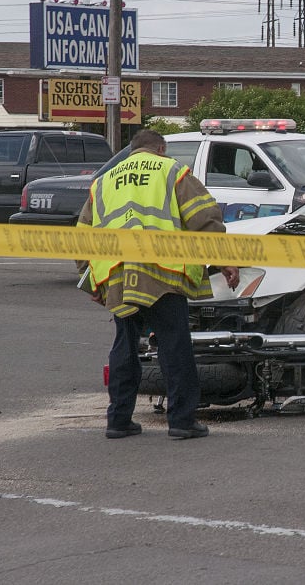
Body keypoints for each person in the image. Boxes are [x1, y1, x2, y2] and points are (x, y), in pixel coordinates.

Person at [77, 130, 239, 440]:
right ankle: (181, 420)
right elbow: (203, 219)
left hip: (120, 275)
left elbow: (82, 234)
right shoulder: (173, 171)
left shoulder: (104, 181)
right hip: (161, 273)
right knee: (174, 346)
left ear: (132, 150)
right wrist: (224, 260)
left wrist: (93, 282)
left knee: (125, 346)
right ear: (161, 148)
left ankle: (118, 420)